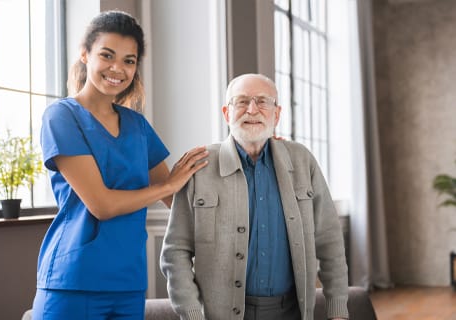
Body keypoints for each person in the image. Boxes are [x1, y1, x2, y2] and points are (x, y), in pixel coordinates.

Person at [32, 10, 208, 320]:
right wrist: (167, 185)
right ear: (85, 55)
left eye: (129, 60)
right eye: (107, 55)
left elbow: (178, 201)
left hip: (128, 283)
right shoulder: (61, 116)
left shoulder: (138, 126)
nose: (118, 68)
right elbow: (102, 204)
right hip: (74, 280)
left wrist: (247, 154)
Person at [160, 73, 349, 320]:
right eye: (241, 102)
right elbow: (175, 252)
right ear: (227, 113)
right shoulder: (199, 167)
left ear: (277, 114)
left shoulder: (302, 160)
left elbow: (330, 242)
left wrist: (338, 311)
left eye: (262, 101)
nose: (252, 110)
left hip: (292, 312)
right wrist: (193, 314)